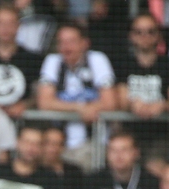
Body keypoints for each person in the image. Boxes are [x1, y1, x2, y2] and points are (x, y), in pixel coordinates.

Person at [36, 22, 116, 171]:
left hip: (92, 143)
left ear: (84, 43)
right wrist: (80, 109)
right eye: (62, 42)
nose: (66, 47)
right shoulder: (52, 61)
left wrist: (64, 106)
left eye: (71, 41)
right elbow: (44, 102)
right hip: (59, 144)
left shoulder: (97, 59)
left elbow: (110, 102)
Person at [115, 11, 169, 153]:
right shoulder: (123, 65)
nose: (145, 36)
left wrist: (163, 105)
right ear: (131, 36)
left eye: (150, 31)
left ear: (159, 35)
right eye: (139, 32)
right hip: (127, 138)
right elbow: (120, 100)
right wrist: (133, 105)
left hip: (160, 138)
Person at [0, 5, 42, 120]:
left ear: (18, 26)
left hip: (23, 122)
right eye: (0, 23)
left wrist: (25, 105)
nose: (5, 28)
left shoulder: (33, 60)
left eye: (10, 23)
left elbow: (38, 94)